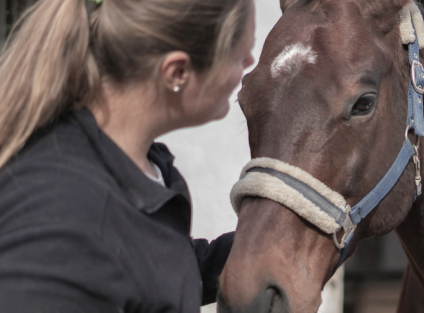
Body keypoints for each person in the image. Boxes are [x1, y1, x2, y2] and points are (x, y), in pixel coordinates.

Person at [0, 0, 255, 311]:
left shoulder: (138, 168)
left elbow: (150, 271)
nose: (250, 63)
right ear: (177, 72)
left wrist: (285, 236)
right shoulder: (65, 214)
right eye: (241, 56)